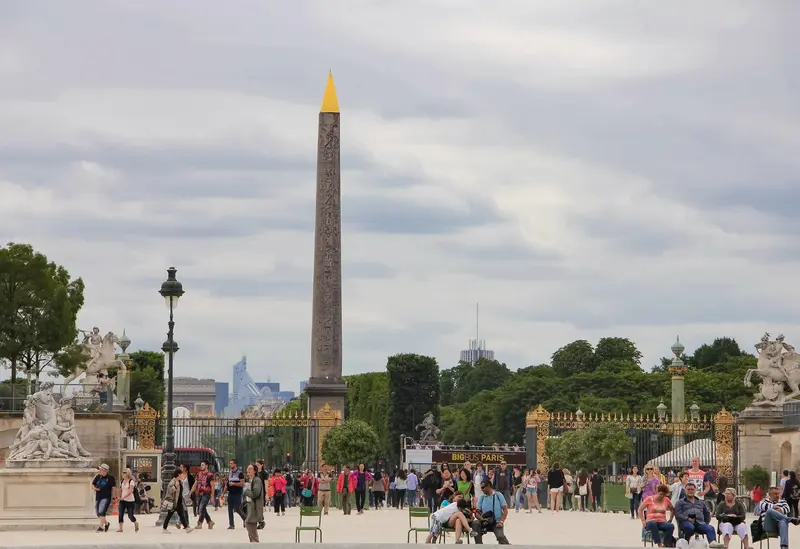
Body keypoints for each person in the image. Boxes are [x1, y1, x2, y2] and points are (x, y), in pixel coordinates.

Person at [471, 479, 510, 544]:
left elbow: (505, 510)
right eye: (481, 488)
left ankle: (507, 545)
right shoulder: (482, 497)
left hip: (496, 522)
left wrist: (501, 522)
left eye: (483, 487)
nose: (481, 489)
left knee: (500, 537)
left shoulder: (498, 495)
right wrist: (482, 519)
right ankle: (479, 545)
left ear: (488, 486)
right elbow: (477, 513)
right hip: (485, 522)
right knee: (475, 523)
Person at [638, 483, 675, 548]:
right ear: (657, 492)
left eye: (664, 495)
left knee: (671, 526)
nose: (662, 496)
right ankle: (659, 543)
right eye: (660, 494)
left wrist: (670, 519)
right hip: (650, 522)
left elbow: (672, 509)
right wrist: (643, 521)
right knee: (653, 523)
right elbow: (640, 509)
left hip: (662, 522)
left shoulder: (666, 500)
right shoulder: (649, 499)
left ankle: (665, 543)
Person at [162, 470, 193, 534]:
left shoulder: (179, 481)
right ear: (178, 474)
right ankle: (164, 528)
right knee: (169, 515)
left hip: (178, 502)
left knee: (181, 515)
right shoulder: (173, 481)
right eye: (181, 474)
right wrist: (175, 486)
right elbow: (170, 490)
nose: (182, 475)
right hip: (174, 502)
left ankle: (187, 528)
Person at [91, 463, 116, 533]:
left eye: (100, 470)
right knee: (97, 512)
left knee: (102, 511)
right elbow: (92, 484)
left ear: (105, 471)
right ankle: (107, 524)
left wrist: (114, 498)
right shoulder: (98, 476)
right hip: (98, 496)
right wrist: (95, 489)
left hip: (106, 497)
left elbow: (114, 488)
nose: (99, 471)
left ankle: (101, 527)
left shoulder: (110, 478)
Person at [243, 463, 264, 543]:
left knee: (249, 523)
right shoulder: (250, 480)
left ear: (255, 471)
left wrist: (245, 491)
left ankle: (255, 543)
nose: (248, 470)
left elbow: (256, 493)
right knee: (250, 525)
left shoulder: (257, 480)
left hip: (255, 506)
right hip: (249, 505)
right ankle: (253, 543)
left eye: (250, 469)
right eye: (248, 468)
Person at [193, 460, 215, 530]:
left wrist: (212, 496)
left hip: (206, 494)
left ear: (206, 466)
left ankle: (199, 523)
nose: (201, 466)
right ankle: (210, 522)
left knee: (201, 507)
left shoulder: (210, 475)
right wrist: (191, 491)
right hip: (199, 494)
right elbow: (196, 483)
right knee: (202, 509)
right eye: (201, 465)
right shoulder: (199, 474)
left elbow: (213, 486)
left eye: (202, 465)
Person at [225, 459, 246, 529]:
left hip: (237, 493)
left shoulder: (240, 473)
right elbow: (227, 484)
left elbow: (242, 484)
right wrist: (223, 493)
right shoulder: (230, 473)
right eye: (229, 463)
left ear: (235, 464)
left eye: (231, 463)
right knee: (230, 509)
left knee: (237, 508)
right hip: (230, 493)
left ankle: (245, 519)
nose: (230, 465)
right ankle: (231, 524)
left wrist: (234, 484)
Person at [117, 468, 139, 533]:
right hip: (122, 500)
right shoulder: (122, 481)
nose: (123, 474)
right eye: (123, 472)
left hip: (130, 500)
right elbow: (120, 489)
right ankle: (121, 528)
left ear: (128, 473)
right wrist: (119, 496)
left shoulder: (131, 481)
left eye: (125, 472)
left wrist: (124, 497)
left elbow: (131, 491)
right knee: (120, 514)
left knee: (130, 516)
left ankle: (135, 522)